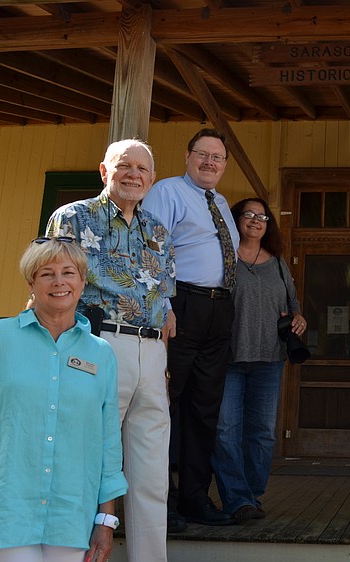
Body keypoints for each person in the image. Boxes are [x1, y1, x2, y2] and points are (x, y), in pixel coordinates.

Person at [0, 238, 127, 562]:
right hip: (0, 514)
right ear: (31, 283)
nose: (59, 282)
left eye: (69, 272)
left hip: (71, 518)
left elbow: (109, 442)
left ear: (83, 282)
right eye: (47, 273)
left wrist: (105, 520)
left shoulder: (101, 354)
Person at [46, 139, 176, 562]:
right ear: (105, 171)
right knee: (84, 460)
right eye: (124, 166)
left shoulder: (158, 229)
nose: (134, 174)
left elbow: (164, 293)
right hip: (97, 346)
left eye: (142, 168)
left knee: (151, 475)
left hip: (152, 353)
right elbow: (53, 283)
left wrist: (166, 321)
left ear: (152, 179)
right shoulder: (72, 217)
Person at [143, 128, 240, 529]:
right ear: (188, 156)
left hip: (218, 310)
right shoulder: (167, 192)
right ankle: (158, 502)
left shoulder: (220, 202)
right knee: (163, 404)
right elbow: (152, 251)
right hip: (180, 305)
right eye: (203, 154)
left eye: (217, 157)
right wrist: (164, 306)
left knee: (204, 410)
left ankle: (195, 498)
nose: (210, 162)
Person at [211, 197, 307, 523]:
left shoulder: (279, 263)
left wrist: (298, 319)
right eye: (249, 215)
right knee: (225, 430)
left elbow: (294, 306)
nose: (255, 220)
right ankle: (237, 499)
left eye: (262, 216)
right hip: (229, 357)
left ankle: (252, 495)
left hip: (269, 358)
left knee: (262, 433)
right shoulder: (222, 258)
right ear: (236, 219)